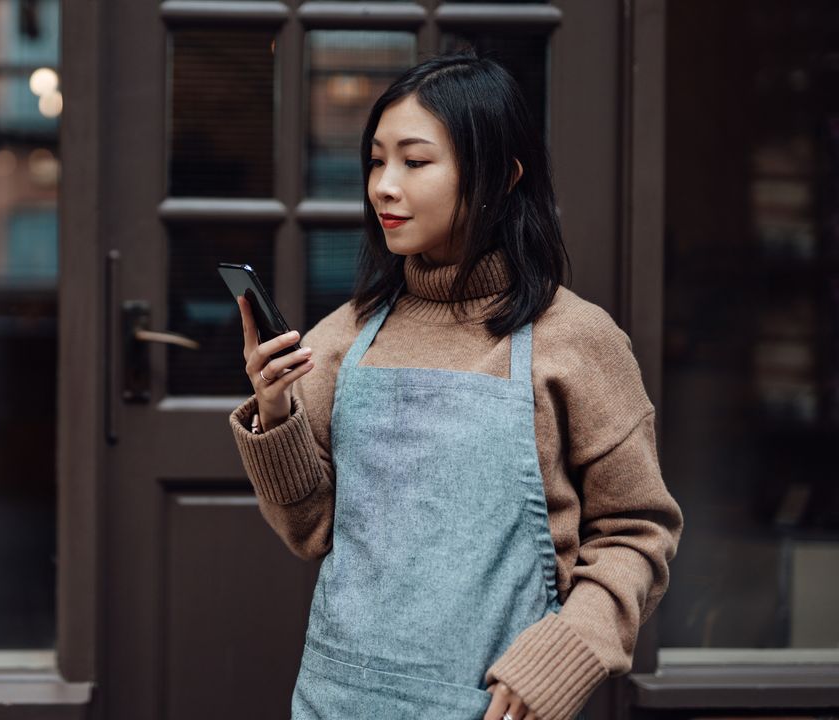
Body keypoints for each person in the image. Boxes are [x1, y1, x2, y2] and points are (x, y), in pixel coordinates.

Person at [228, 49, 683, 720]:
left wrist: (558, 660)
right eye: (376, 161)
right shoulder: (343, 336)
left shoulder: (577, 341)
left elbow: (637, 532)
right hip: (336, 699)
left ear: (502, 176)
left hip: (493, 705)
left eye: (414, 162)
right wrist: (277, 415)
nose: (384, 185)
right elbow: (311, 531)